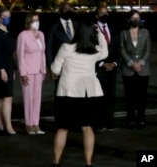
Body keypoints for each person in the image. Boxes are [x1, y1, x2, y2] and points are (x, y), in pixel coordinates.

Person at [50, 19, 108, 167]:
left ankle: (56, 162)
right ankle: (88, 163)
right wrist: (100, 33)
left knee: (63, 128)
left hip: (68, 92)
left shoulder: (66, 48)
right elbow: (105, 52)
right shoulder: (94, 50)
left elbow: (55, 69)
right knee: (87, 128)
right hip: (88, 93)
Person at [120, 10, 151, 129]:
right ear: (129, 19)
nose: (136, 20)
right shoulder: (123, 33)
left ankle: (141, 119)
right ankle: (131, 119)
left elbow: (148, 49)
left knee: (142, 96)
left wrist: (141, 63)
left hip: (143, 69)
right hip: (128, 69)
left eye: (138, 18)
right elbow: (122, 49)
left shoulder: (145, 32)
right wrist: (132, 63)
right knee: (129, 96)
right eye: (133, 18)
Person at [17, 13, 47, 135]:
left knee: (37, 98)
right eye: (34, 20)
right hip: (28, 72)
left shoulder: (41, 34)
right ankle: (29, 124)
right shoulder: (23, 35)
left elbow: (42, 54)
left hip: (39, 71)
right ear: (29, 22)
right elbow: (20, 55)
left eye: (38, 20)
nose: (36, 22)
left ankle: (36, 123)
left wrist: (44, 70)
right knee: (28, 99)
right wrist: (22, 72)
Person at [46, 2, 78, 116]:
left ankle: (73, 117)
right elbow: (49, 47)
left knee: (75, 93)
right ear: (60, 11)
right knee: (60, 93)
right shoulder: (54, 26)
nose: (68, 11)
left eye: (69, 9)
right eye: (65, 9)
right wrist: (51, 66)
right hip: (60, 65)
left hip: (75, 65)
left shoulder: (76, 24)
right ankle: (59, 118)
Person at [0, 7, 16, 135]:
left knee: (2, 98)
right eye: (4, 16)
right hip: (1, 68)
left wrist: (12, 69)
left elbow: (10, 53)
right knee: (6, 97)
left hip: (8, 67)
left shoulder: (7, 32)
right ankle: (8, 126)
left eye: (8, 16)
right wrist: (2, 69)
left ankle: (0, 124)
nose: (7, 19)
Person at [95, 6, 120, 131]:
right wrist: (102, 63)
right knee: (99, 97)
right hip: (99, 68)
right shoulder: (92, 30)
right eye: (101, 13)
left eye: (106, 13)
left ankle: (109, 123)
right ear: (97, 16)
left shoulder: (113, 29)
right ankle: (99, 124)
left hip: (112, 68)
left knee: (111, 96)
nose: (104, 15)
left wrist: (114, 63)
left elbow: (117, 48)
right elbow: (91, 49)